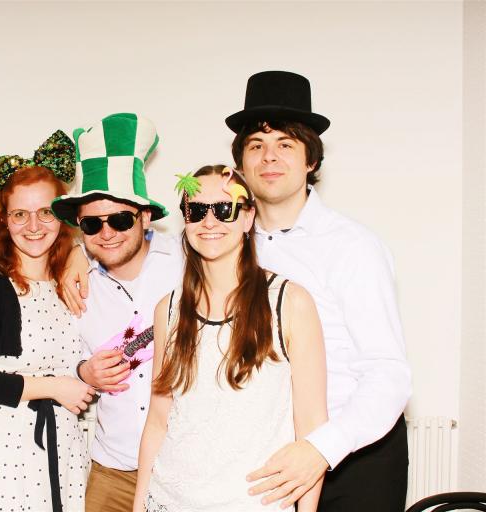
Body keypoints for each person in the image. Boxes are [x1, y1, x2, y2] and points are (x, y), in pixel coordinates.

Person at [225, 71, 412, 511]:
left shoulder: (353, 247)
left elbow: (388, 373)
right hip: (269, 456)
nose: (269, 157)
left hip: (355, 457)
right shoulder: (228, 244)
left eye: (285, 144)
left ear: (311, 160)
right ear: (241, 166)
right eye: (256, 145)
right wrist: (82, 256)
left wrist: (322, 447)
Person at [133, 166, 328, 511]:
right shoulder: (169, 310)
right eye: (196, 210)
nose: (209, 221)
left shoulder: (289, 302)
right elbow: (159, 421)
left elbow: (311, 426)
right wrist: (139, 506)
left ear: (248, 217)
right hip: (167, 502)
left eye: (224, 209)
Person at [0, 131, 94, 512]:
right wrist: (54, 387)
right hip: (0, 455)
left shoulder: (70, 278)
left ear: (62, 216)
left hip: (62, 446)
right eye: (19, 214)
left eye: (46, 212)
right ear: (4, 219)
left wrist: (78, 251)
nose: (34, 226)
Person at [51, 113, 183, 512]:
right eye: (92, 224)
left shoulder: (188, 261)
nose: (106, 233)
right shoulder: (74, 287)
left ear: (146, 216)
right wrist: (83, 372)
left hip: (183, 465)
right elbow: (57, 359)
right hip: (113, 471)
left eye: (121, 219)